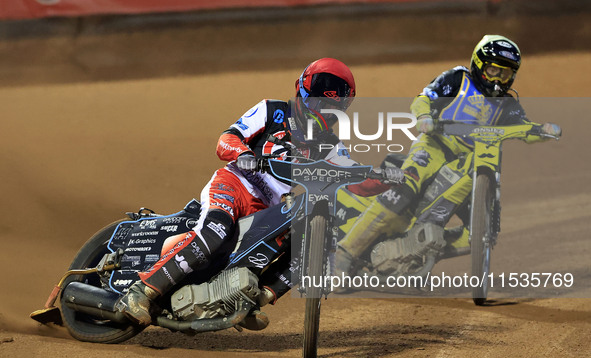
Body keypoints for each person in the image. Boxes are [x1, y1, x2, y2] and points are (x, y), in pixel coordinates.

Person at [118, 58, 401, 326]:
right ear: (302, 91)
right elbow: (226, 139)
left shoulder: (332, 146)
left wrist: (386, 177)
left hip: (269, 214)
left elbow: (356, 181)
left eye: (331, 105)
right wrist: (242, 153)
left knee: (311, 243)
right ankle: (141, 292)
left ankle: (251, 297)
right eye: (319, 101)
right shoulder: (272, 110)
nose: (323, 109)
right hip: (236, 185)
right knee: (216, 230)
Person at [336, 35, 562, 275]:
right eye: (493, 70)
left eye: (504, 74)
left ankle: (417, 249)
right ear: (478, 63)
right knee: (402, 190)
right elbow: (426, 97)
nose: (497, 79)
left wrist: (542, 130)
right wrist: (424, 116)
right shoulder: (458, 78)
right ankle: (345, 254)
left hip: (468, 164)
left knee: (484, 231)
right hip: (433, 147)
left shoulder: (508, 105)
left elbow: (524, 128)